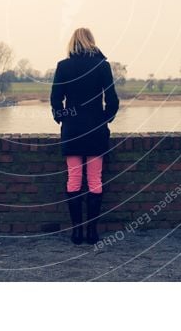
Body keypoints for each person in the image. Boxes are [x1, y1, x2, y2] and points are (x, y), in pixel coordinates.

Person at [50, 27, 119, 244]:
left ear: (72, 43)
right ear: (92, 41)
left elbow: (55, 99)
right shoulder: (102, 66)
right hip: (95, 130)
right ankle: (92, 232)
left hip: (72, 130)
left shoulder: (63, 66)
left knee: (74, 180)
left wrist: (63, 119)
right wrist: (105, 119)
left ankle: (76, 232)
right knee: (94, 180)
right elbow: (113, 100)